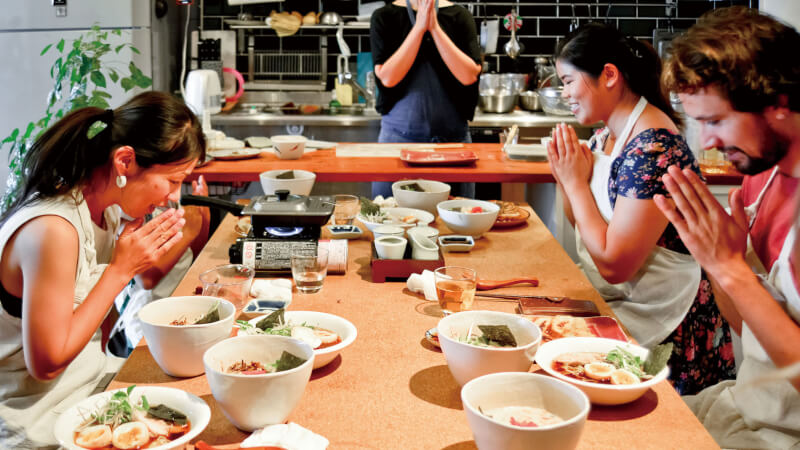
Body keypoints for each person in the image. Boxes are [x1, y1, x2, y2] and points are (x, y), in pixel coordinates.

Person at [0, 91, 205, 447]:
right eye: (173, 181)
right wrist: (120, 270)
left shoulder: (107, 213)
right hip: (35, 424)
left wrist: (123, 260)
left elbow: (98, 332)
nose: (175, 196)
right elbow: (45, 364)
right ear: (125, 161)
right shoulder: (52, 229)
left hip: (89, 393)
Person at [545, 22, 735, 395]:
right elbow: (587, 224)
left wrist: (572, 183)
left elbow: (614, 264)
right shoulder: (606, 135)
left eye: (568, 81)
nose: (564, 93)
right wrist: (570, 180)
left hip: (671, 326)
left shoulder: (652, 149)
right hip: (633, 307)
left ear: (609, 75)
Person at [652, 6, 800, 447]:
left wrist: (731, 268)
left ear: (778, 103)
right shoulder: (761, 176)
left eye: (715, 121)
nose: (708, 143)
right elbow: (749, 328)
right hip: (743, 405)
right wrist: (716, 266)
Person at [370, 0, 481, 197]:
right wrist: (419, 29)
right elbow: (388, 77)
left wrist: (435, 28)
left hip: (453, 146)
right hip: (396, 144)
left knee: (458, 222)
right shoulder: (384, 17)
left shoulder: (460, 16)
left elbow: (468, 75)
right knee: (389, 219)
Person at [105, 175, 210, 358]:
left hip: (178, 315)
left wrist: (203, 219)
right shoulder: (126, 212)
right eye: (172, 180)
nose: (176, 194)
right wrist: (188, 231)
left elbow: (191, 252)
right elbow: (146, 278)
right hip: (145, 331)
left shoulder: (165, 202)